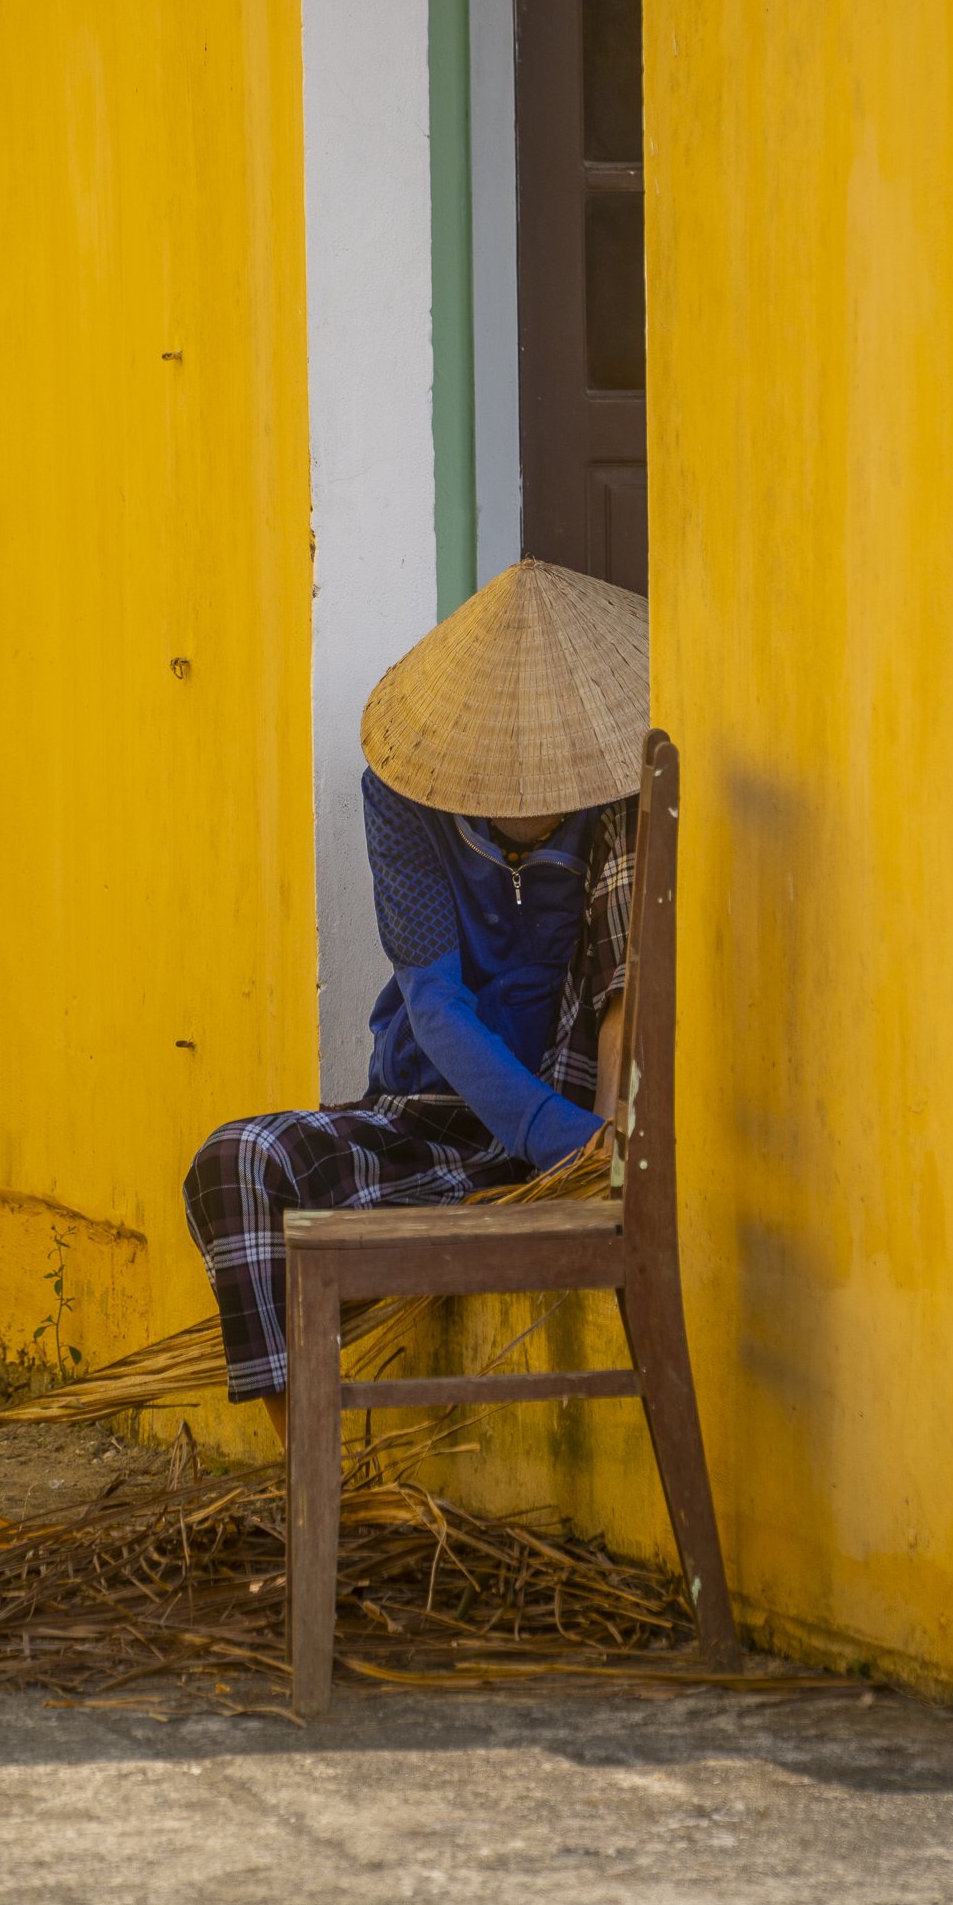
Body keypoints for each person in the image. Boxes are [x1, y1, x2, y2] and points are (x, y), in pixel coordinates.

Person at [183, 556, 649, 1440]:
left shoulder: (621, 807)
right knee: (235, 1159)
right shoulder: (400, 795)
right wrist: (563, 1140)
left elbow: (623, 994)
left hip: (571, 1134)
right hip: (427, 1120)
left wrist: (595, 1152)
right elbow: (431, 1002)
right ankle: (308, 1468)